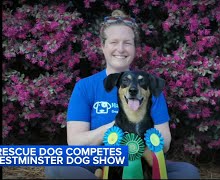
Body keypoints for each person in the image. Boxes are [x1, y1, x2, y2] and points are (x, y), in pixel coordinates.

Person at [45, 9, 200, 179]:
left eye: (127, 42)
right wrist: (118, 127)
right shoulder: (85, 87)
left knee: (188, 172)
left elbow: (165, 143)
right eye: (113, 42)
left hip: (143, 161)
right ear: (102, 46)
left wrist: (139, 142)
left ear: (134, 48)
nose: (120, 48)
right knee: (56, 166)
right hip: (97, 163)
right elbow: (75, 142)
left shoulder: (148, 88)